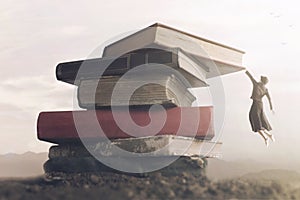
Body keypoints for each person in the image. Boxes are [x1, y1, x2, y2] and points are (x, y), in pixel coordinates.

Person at [245, 70, 275, 147]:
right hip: (260, 105)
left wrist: (245, 70)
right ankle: (268, 135)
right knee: (259, 122)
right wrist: (271, 108)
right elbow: (270, 99)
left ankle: (266, 137)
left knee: (255, 121)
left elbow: (251, 77)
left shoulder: (256, 84)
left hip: (256, 104)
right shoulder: (265, 89)